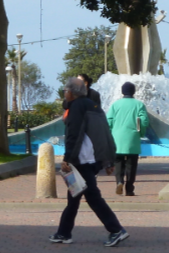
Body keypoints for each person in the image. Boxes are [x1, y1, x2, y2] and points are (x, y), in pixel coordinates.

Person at [50, 78, 128, 247]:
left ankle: (116, 230)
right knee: (74, 196)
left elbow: (74, 135)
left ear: (71, 92)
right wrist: (108, 160)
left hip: (82, 160)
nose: (64, 94)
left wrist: (67, 158)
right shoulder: (94, 106)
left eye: (65, 91)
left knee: (92, 197)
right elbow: (105, 133)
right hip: (91, 159)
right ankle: (63, 233)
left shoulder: (77, 107)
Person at [106, 81, 148, 196]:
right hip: (132, 138)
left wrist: (110, 135)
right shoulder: (139, 104)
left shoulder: (115, 105)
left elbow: (108, 121)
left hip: (117, 139)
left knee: (118, 163)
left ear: (122, 92)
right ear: (134, 92)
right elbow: (144, 121)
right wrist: (141, 133)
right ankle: (129, 189)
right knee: (131, 165)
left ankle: (119, 182)